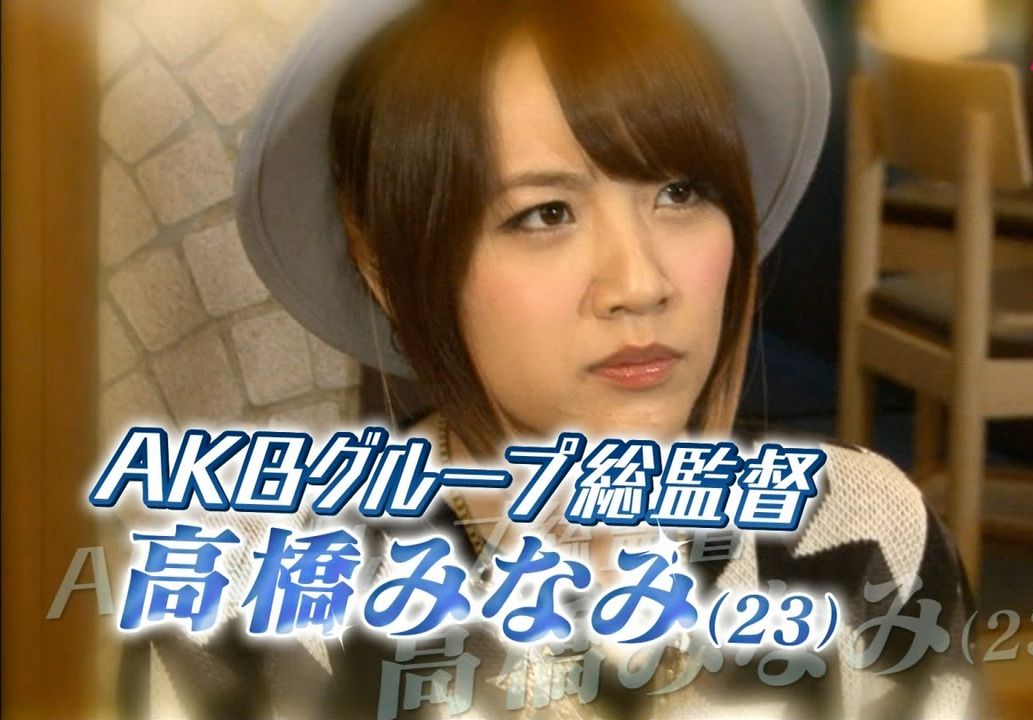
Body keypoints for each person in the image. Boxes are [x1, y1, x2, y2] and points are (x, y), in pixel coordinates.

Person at [123, 1, 979, 717]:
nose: (640, 284)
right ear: (382, 256)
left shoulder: (856, 531)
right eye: (544, 214)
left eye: (681, 192)